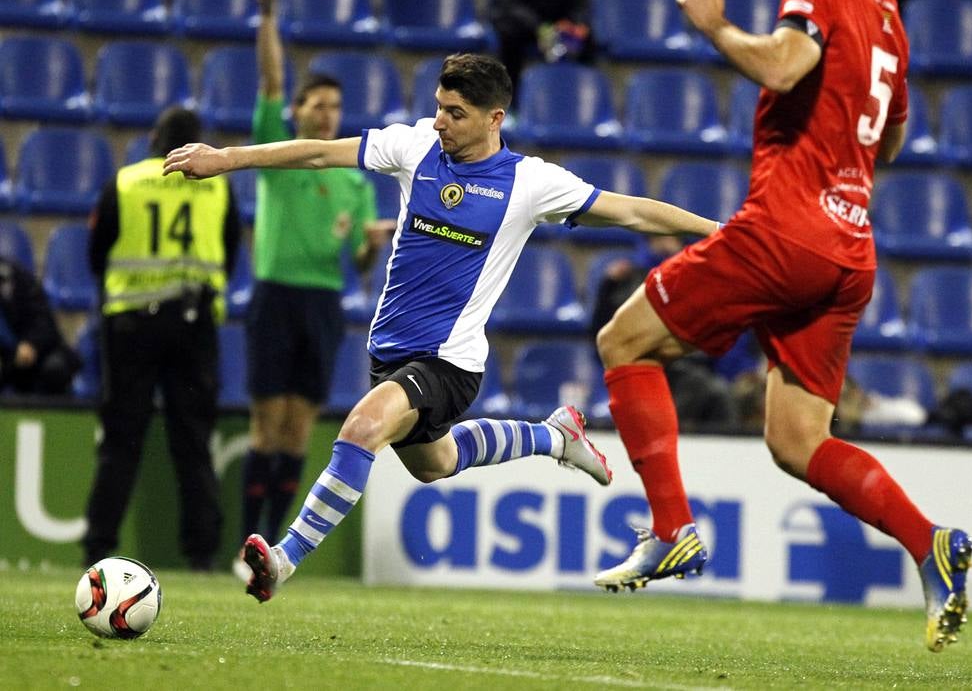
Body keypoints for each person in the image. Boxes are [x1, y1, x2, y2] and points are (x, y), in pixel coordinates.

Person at [162, 53, 720, 602]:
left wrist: (718, 232)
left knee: (361, 428)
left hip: (449, 361)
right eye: (438, 107)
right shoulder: (416, 147)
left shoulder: (529, 183)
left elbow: (633, 211)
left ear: (494, 118)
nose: (439, 122)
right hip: (391, 353)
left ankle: (282, 561)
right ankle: (555, 436)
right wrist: (227, 158)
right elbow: (316, 154)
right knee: (438, 462)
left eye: (454, 112)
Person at [592, 0, 972, 653]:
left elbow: (782, 66)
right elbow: (890, 136)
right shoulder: (894, 24)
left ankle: (669, 528)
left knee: (621, 341)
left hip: (786, 233)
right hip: (849, 253)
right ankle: (928, 543)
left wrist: (716, 26)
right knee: (797, 441)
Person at [237, 0, 393, 567]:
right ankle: (246, 535)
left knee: (299, 430)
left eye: (335, 108)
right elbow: (270, 76)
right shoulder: (278, 157)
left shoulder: (355, 184)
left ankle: (269, 542)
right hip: (275, 296)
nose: (327, 116)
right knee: (266, 425)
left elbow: (353, 260)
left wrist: (368, 248)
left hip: (323, 303)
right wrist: (269, 13)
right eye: (317, 105)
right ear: (298, 110)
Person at [83, 106, 243, 570]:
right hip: (193, 328)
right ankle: (201, 554)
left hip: (131, 327)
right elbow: (229, 257)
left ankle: (98, 545)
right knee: (193, 442)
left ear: (154, 138)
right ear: (195, 142)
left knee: (120, 440)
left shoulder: (125, 182)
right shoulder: (217, 185)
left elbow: (98, 256)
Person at [590, 237, 736, 431]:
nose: (666, 243)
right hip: (643, 367)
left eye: (672, 236)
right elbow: (602, 336)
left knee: (716, 392)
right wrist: (608, 287)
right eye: (660, 236)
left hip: (688, 370)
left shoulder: (694, 276)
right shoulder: (628, 278)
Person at [0, 256, 80, 396]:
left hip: (34, 355)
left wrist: (31, 343)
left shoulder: (15, 276)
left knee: (55, 369)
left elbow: (45, 321)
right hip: (6, 360)